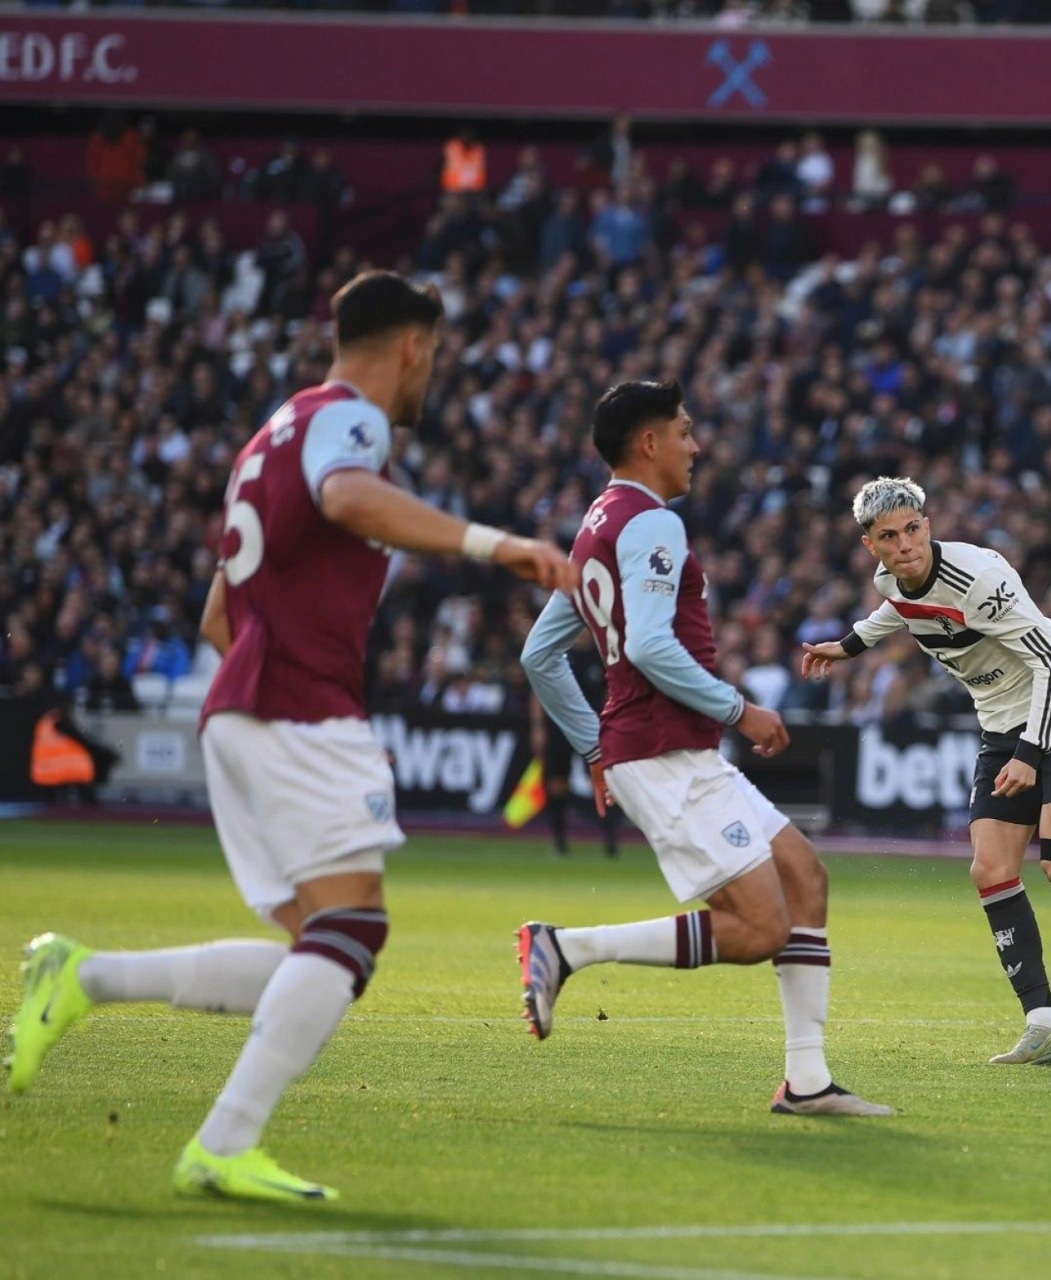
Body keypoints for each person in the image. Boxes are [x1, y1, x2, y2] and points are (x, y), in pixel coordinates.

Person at [6, 272, 577, 1201]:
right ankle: (223, 1142)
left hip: (248, 699)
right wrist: (494, 545)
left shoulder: (272, 432)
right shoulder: (351, 422)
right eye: (432, 353)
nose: (430, 369)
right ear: (412, 348)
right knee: (351, 933)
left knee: (322, 949)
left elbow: (215, 614)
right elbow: (351, 499)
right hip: (292, 701)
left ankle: (85, 977)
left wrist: (293, 699)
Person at [516, 380, 891, 1119]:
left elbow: (539, 655)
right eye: (684, 432)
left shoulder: (596, 526)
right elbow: (651, 644)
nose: (696, 446)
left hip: (662, 750)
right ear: (648, 442)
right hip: (664, 752)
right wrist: (739, 709)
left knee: (805, 878)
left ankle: (808, 1081)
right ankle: (565, 949)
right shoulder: (652, 525)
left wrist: (594, 749)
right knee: (759, 929)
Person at [800, 477, 1051, 1068]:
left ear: (928, 525)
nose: (905, 545)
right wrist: (846, 647)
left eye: (913, 529)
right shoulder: (889, 580)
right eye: (888, 537)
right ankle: (1044, 1024)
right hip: (1002, 728)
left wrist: (1031, 755)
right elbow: (896, 608)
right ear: (870, 544)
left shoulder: (980, 578)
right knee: (990, 870)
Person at [528, 632, 619, 860]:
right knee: (557, 783)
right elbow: (539, 689)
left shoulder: (600, 655)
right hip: (558, 728)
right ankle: (560, 841)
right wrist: (538, 726)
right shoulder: (559, 653)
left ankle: (610, 841)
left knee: (603, 782)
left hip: (593, 728)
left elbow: (613, 691)